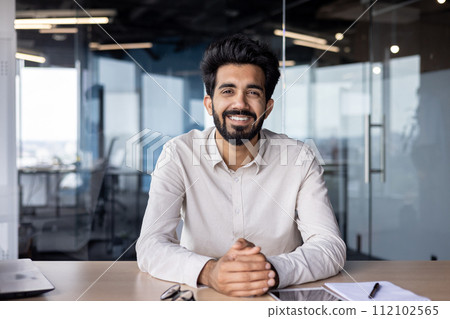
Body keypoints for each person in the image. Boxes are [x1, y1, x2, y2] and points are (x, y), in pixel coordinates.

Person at [136, 34, 346, 297]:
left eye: (253, 92)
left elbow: (330, 246)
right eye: (227, 91)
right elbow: (150, 245)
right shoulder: (178, 154)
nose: (240, 103)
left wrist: (270, 269)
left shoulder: (299, 158)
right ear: (209, 103)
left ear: (267, 108)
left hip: (276, 299)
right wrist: (210, 271)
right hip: (202, 297)